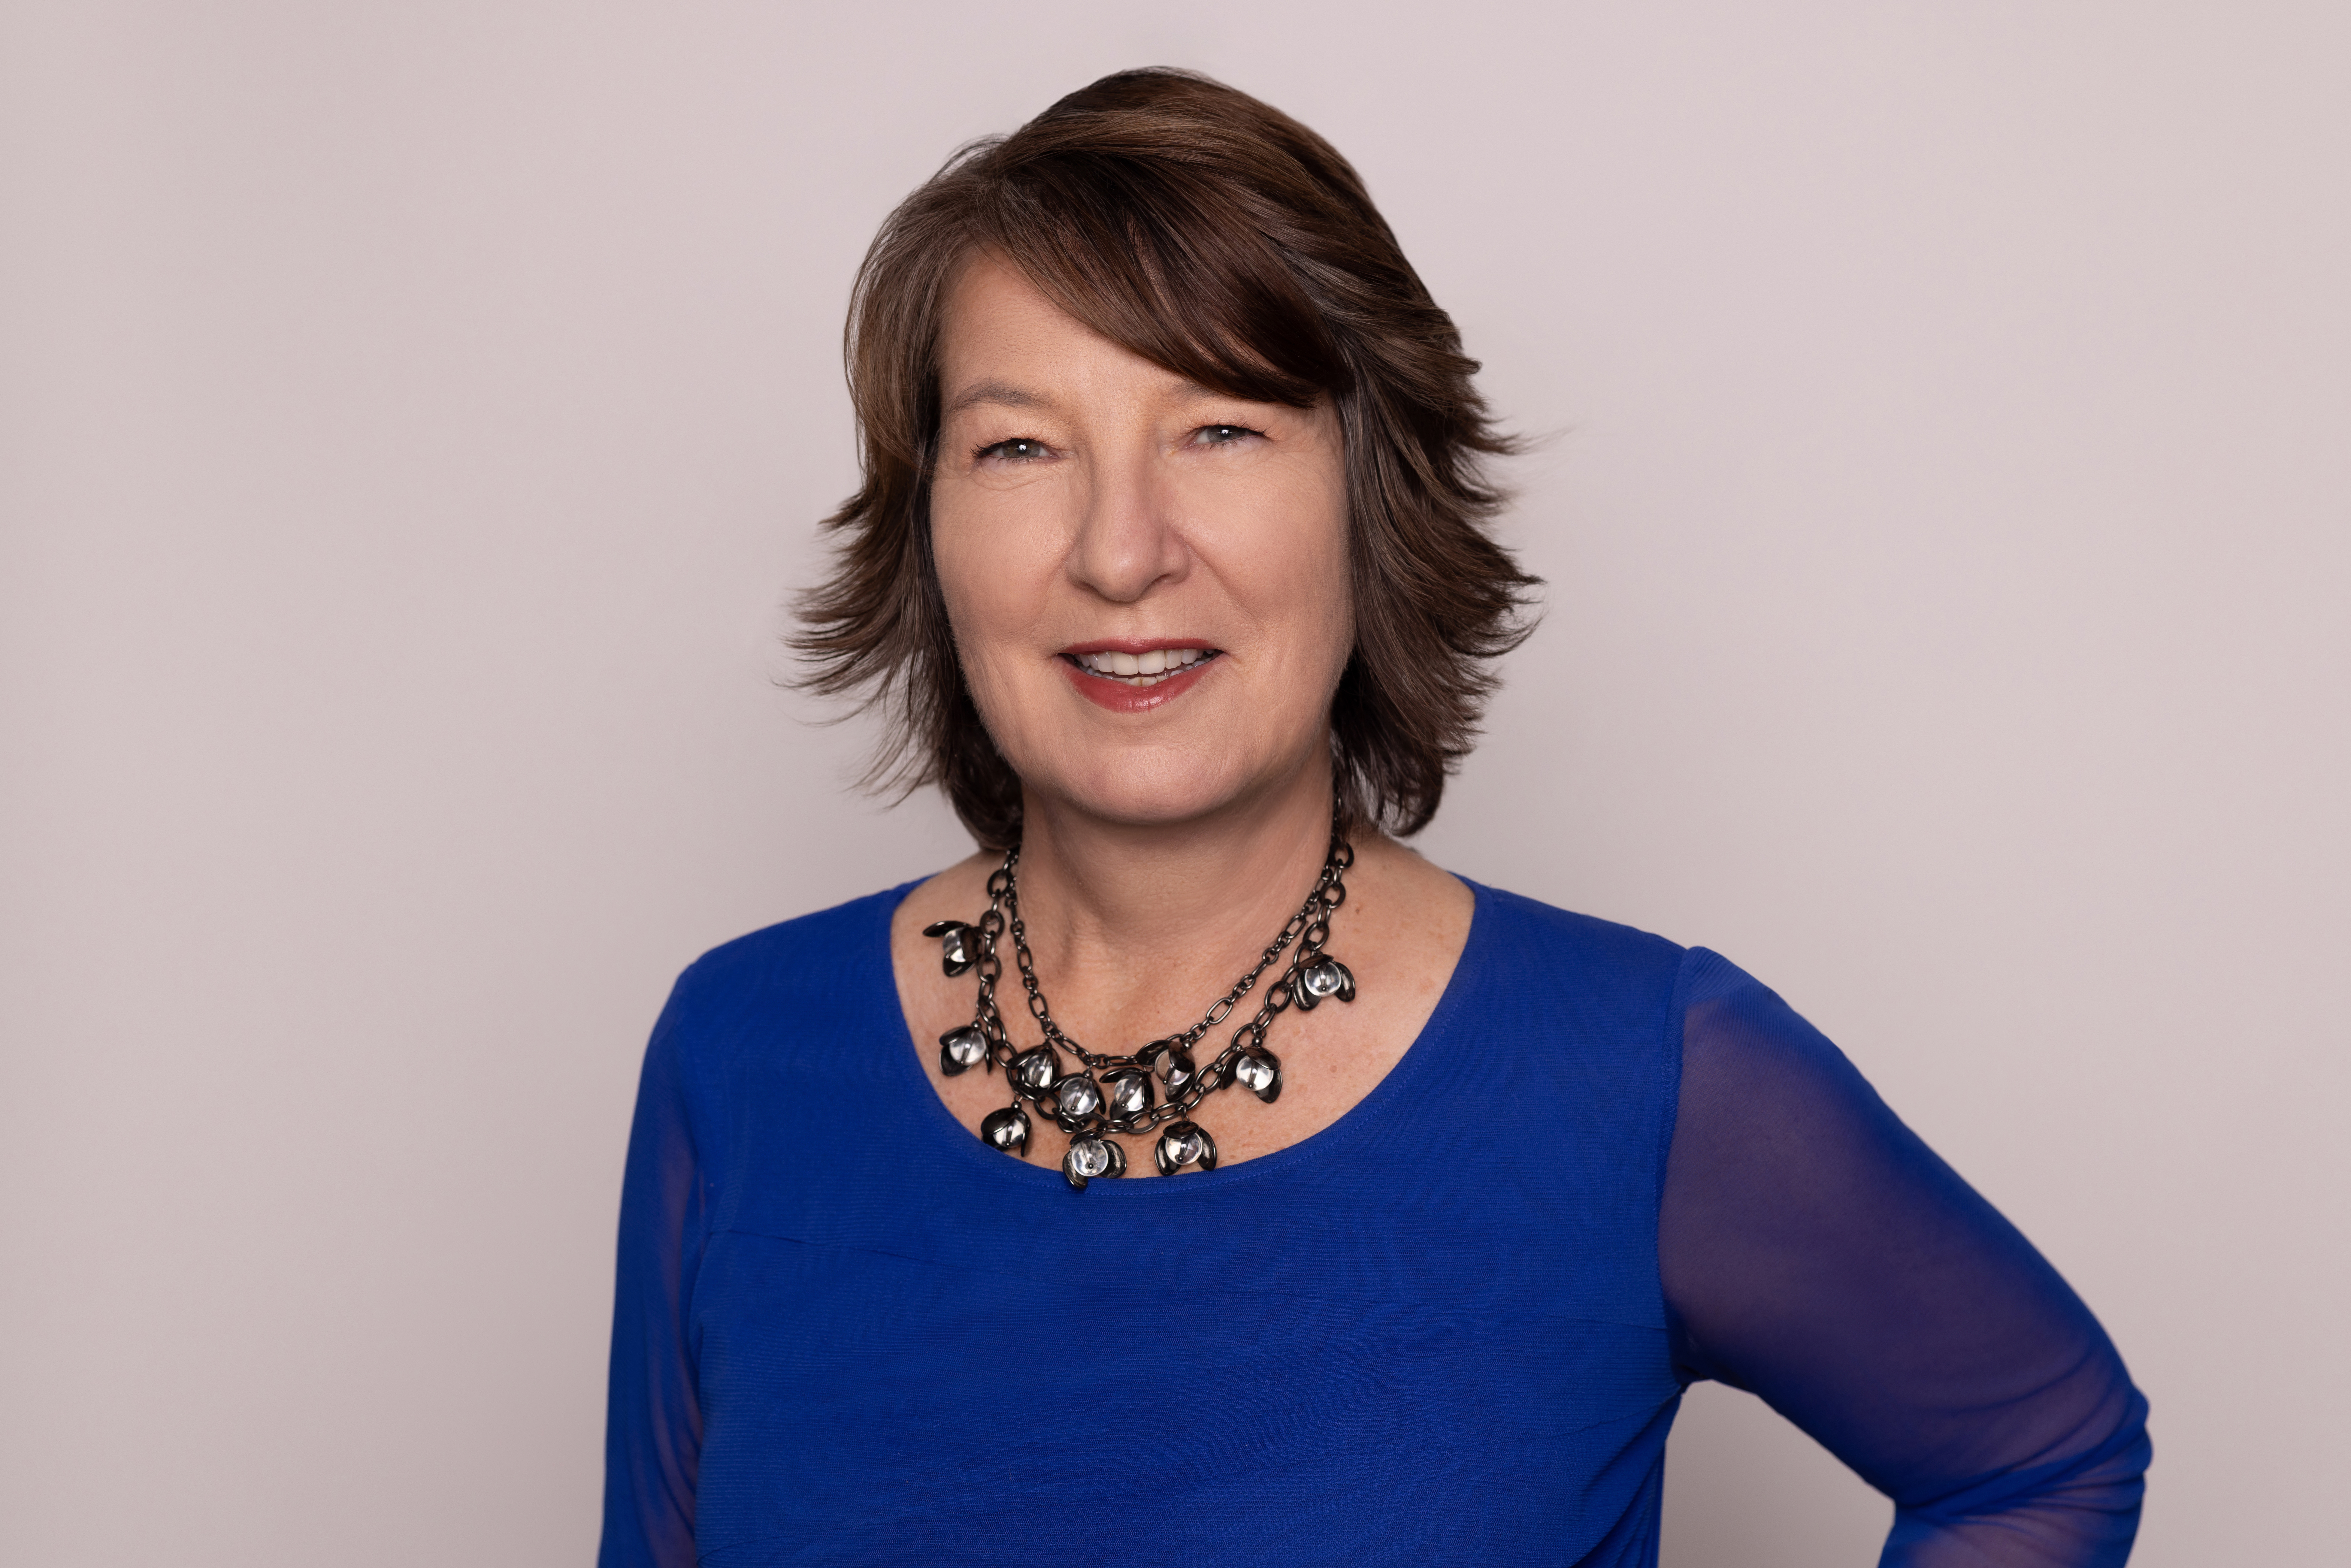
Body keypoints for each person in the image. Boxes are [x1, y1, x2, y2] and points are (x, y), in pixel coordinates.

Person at [599, 68, 2149, 1567]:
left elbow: (2041, 1451)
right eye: (1020, 445)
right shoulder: (738, 1059)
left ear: (1369, 490)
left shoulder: (1639, 1079)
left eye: (1218, 428)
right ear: (926, 520)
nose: (1120, 551)